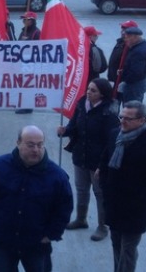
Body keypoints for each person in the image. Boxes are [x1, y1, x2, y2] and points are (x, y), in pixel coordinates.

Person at [0, 125, 73, 272]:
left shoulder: (57, 176)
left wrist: (50, 235)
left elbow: (64, 209)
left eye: (40, 144)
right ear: (18, 143)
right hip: (3, 242)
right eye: (30, 145)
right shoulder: (0, 166)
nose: (36, 149)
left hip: (37, 245)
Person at [99, 101, 146, 272]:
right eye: (121, 116)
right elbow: (104, 162)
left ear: (142, 120)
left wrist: (145, 195)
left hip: (136, 207)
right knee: (116, 243)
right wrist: (104, 186)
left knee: (128, 249)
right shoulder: (114, 134)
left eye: (128, 118)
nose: (122, 121)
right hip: (114, 203)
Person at [57, 78, 119, 242]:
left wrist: (103, 165)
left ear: (102, 95)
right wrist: (65, 131)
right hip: (80, 155)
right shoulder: (82, 103)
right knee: (81, 189)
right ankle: (81, 219)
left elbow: (111, 141)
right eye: (89, 89)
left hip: (98, 160)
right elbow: (74, 123)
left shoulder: (109, 112)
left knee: (100, 193)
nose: (88, 92)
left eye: (93, 91)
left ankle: (102, 226)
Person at [117, 27, 146, 103]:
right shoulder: (142, 46)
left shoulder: (138, 52)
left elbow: (136, 72)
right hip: (138, 83)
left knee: (131, 106)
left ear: (136, 37)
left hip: (134, 85)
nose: (126, 40)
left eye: (128, 37)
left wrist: (125, 78)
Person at [16, 12, 41, 114]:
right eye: (23, 20)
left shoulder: (36, 33)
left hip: (31, 64)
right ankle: (24, 103)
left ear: (31, 21)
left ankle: (28, 106)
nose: (23, 22)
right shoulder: (24, 32)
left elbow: (39, 48)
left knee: (28, 85)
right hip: (23, 62)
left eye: (25, 20)